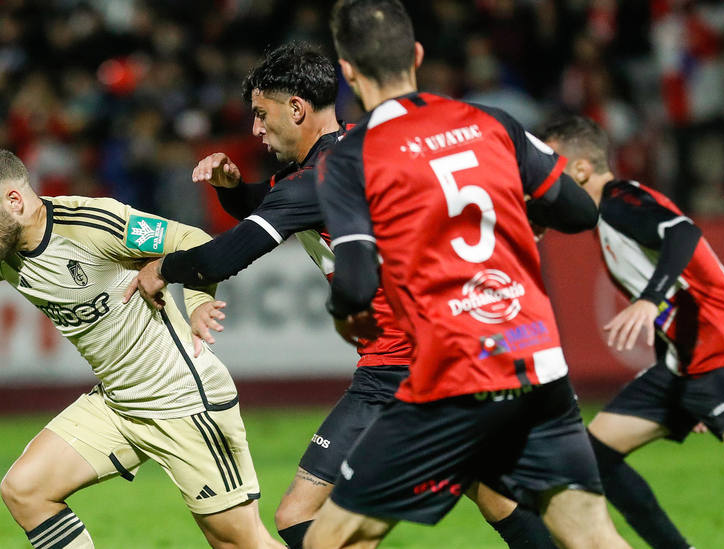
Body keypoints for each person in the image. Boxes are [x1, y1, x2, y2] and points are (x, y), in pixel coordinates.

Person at [125, 42, 556, 549]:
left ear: (297, 108)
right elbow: (272, 205)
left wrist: (162, 268)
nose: (256, 130)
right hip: (449, 349)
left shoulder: (313, 181)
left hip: (398, 368)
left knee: (300, 518)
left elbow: (224, 258)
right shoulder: (353, 150)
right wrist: (232, 188)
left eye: (262, 115)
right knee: (494, 495)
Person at [305, 1, 632, 548]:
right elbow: (580, 211)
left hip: (454, 373)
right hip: (537, 362)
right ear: (416, 55)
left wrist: (345, 315)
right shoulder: (491, 122)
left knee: (327, 541)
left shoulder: (351, 157)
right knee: (595, 537)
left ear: (348, 71)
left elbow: (358, 282)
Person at [0, 149, 283, 549]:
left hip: (184, 400)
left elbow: (189, 237)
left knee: (239, 541)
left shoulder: (93, 225)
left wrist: (197, 301)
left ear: (14, 201)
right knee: (26, 491)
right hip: (120, 405)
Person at [542, 114, 724, 549]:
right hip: (685, 366)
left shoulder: (619, 200)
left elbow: (682, 233)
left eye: (550, 166)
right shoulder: (604, 217)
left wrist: (650, 298)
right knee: (595, 457)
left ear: (580, 170)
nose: (543, 180)